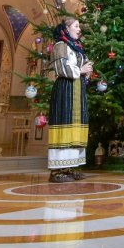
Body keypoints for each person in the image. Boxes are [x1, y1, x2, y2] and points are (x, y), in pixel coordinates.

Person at [48, 17, 92, 182]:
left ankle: (70, 167)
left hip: (77, 89)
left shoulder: (77, 47)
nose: (79, 29)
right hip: (65, 89)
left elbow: (81, 67)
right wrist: (81, 70)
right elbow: (61, 68)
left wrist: (87, 71)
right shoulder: (60, 46)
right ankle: (56, 171)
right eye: (76, 26)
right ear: (66, 28)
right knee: (64, 123)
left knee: (76, 125)